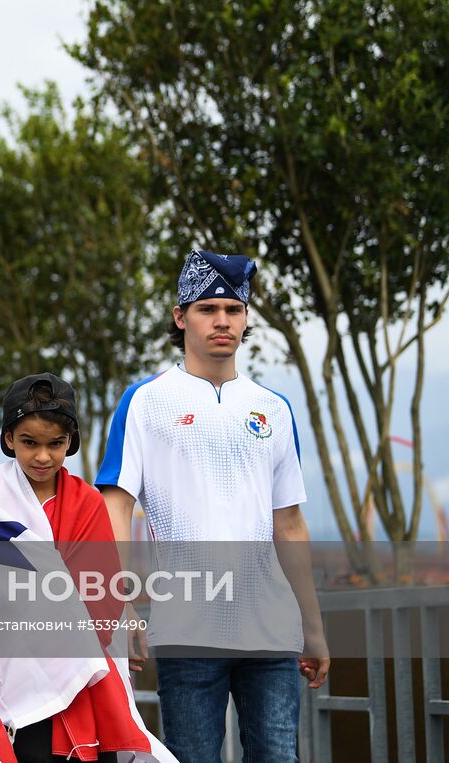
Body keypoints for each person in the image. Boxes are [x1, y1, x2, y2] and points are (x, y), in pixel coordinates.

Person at [96, 250, 330, 763]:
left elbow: (290, 525)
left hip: (271, 631)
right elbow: (116, 510)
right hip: (188, 629)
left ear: (245, 318)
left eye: (233, 309)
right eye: (207, 308)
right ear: (181, 317)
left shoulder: (274, 409)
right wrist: (120, 605)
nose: (222, 320)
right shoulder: (145, 401)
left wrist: (312, 627)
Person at [0, 374, 173, 763]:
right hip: (18, 675)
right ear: (9, 439)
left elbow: (102, 590)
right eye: (30, 443)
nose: (43, 456)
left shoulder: (88, 503)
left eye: (55, 444)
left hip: (86, 676)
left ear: (70, 441)